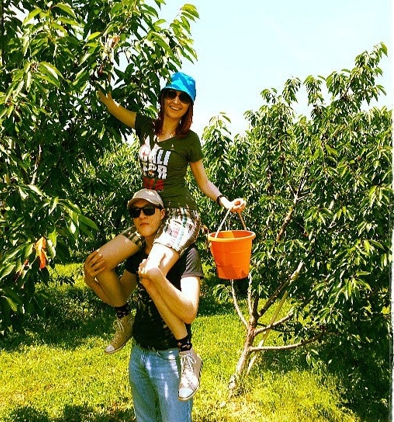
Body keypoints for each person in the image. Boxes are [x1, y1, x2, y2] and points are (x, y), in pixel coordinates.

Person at [89, 71, 245, 390]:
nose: (176, 101)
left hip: (179, 215)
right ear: (163, 97)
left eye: (183, 98)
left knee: (150, 273)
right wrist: (101, 77)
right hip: (149, 212)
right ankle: (124, 318)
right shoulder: (145, 126)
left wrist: (225, 201)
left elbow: (202, 181)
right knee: (97, 263)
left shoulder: (190, 141)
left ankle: (187, 354)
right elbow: (111, 105)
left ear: (189, 106)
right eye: (171, 94)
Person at [84, 188, 204, 417]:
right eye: (135, 211)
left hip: (171, 356)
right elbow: (118, 297)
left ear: (162, 214)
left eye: (148, 210)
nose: (141, 216)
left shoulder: (187, 254)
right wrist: (93, 282)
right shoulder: (136, 254)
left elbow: (189, 312)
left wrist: (157, 278)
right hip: (139, 354)